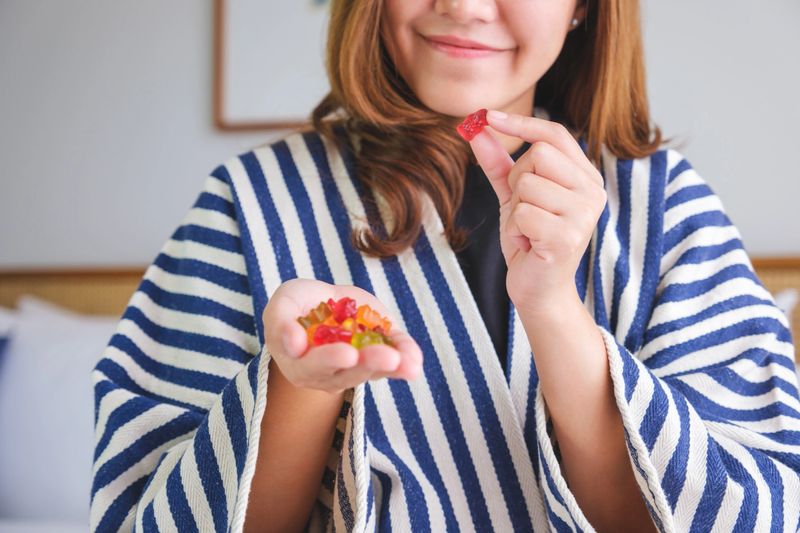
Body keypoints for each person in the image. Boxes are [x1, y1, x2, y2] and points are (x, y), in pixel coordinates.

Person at [89, 0, 800, 531]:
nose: (461, 5)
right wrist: (300, 384)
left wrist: (553, 307)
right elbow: (148, 515)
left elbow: (745, 511)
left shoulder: (666, 204)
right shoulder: (247, 205)